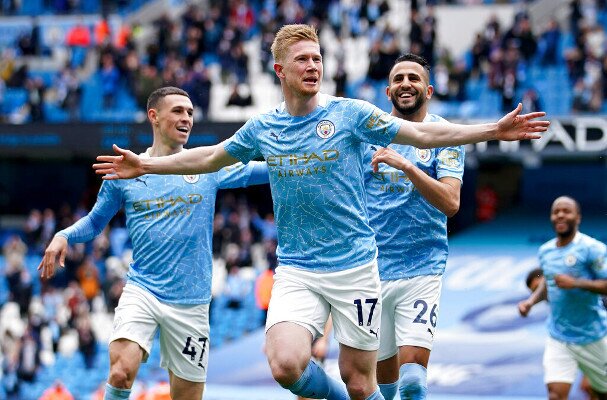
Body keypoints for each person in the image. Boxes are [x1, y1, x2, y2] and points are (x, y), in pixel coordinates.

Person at [92, 24, 549, 400]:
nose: (313, 67)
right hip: (297, 269)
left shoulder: (351, 114)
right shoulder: (264, 128)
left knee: (360, 381)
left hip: (356, 269)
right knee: (286, 364)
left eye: (317, 59)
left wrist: (494, 129)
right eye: (303, 60)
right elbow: (209, 158)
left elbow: (425, 137)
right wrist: (145, 164)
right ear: (280, 70)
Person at [38, 87, 269, 400]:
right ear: (154, 116)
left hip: (192, 301)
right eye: (177, 111)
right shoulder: (125, 171)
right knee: (121, 371)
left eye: (190, 112)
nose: (186, 117)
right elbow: (95, 222)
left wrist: (309, 163)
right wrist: (64, 234)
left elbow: (263, 171)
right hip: (142, 290)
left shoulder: (207, 165)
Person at [363, 53, 464, 400]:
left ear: (429, 90)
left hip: (423, 267)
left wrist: (406, 164)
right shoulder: (366, 135)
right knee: (383, 389)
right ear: (388, 91)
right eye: (399, 78)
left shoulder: (445, 135)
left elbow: (451, 203)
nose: (406, 83)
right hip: (369, 272)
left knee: (412, 384)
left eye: (414, 78)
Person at [518, 196, 607, 400]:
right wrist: (530, 302)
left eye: (566, 211)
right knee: (556, 395)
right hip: (558, 336)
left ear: (578, 217)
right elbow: (547, 282)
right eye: (556, 211)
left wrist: (576, 283)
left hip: (592, 336)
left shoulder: (593, 248)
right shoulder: (546, 251)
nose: (560, 214)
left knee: (601, 393)